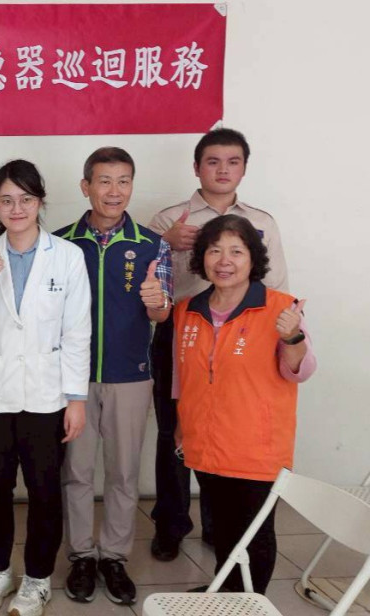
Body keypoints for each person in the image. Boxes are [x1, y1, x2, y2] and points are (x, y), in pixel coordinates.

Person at [147, 128, 290, 561]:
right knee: (175, 430)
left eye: (233, 162)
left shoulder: (262, 222)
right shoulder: (168, 220)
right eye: (213, 161)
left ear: (244, 168)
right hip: (181, 333)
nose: (223, 170)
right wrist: (164, 244)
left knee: (228, 428)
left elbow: (276, 286)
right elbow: (142, 281)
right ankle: (171, 523)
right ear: (197, 167)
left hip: (245, 337)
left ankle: (219, 524)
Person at [0, 159, 91, 616]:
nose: (16, 209)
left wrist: (76, 399)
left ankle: (37, 579)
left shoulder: (66, 256)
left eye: (26, 199)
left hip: (46, 394)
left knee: (44, 489)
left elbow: (77, 332)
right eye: (6, 200)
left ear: (40, 202)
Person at [55, 147, 173, 605]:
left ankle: (114, 557)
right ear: (86, 186)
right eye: (104, 181)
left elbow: (162, 314)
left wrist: (156, 303)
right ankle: (82, 556)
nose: (114, 191)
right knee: (77, 471)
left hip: (131, 375)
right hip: (73, 379)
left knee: (124, 472)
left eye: (123, 181)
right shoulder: (62, 243)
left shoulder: (152, 244)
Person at [173, 215, 314, 594]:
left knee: (254, 533)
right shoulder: (188, 309)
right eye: (214, 250)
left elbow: (300, 370)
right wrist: (182, 424)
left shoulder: (281, 309)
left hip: (256, 446)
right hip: (205, 441)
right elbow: (184, 374)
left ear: (253, 259)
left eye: (236, 251)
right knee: (221, 526)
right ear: (202, 257)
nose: (224, 261)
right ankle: (226, 593)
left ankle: (249, 601)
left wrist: (293, 337)